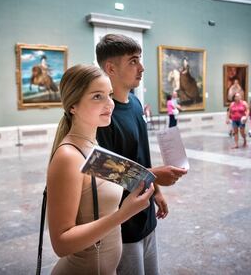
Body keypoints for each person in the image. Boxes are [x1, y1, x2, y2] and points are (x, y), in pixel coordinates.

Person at [47, 64, 154, 275]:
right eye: (97, 97)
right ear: (73, 106)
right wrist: (123, 214)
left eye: (109, 95)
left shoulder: (94, 145)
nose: (110, 104)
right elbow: (61, 244)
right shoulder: (68, 156)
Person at [96, 34, 187, 275]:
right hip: (122, 225)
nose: (142, 68)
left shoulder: (135, 104)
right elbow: (106, 172)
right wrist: (153, 176)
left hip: (146, 215)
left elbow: (138, 157)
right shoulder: (103, 115)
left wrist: (155, 191)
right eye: (133, 61)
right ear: (111, 68)